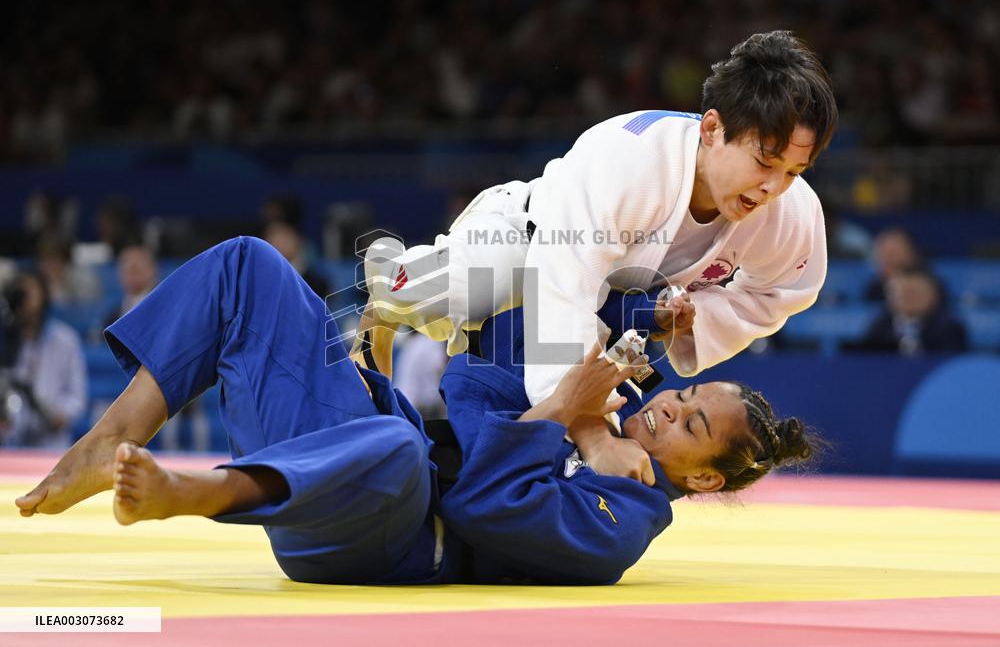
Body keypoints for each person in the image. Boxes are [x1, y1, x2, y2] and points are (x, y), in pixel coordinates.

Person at [15, 237, 815, 585]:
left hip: (383, 537)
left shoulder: (621, 520)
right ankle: (112, 433)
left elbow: (477, 502)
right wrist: (645, 327)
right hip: (350, 457)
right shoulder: (608, 406)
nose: (668, 412)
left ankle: (196, 493)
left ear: (703, 481)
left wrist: (568, 414)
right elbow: (541, 332)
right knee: (246, 269)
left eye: (691, 428)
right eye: (681, 397)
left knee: (398, 453)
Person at [356, 30, 837, 475]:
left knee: (549, 439)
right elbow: (561, 289)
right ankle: (390, 282)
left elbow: (787, 290)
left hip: (610, 308)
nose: (774, 187)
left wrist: (691, 320)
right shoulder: (629, 160)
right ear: (712, 129)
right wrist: (588, 430)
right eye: (765, 161)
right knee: (476, 288)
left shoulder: (790, 211)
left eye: (795, 170)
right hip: (525, 240)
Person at [0, 272, 87, 446]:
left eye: (29, 292)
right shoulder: (5, 338)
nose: (23, 299)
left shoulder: (65, 340)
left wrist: (61, 415)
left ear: (43, 296)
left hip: (53, 442)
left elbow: (77, 396)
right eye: (19, 292)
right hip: (11, 443)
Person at [851, 267, 967, 355]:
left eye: (915, 293)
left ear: (933, 296)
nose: (909, 299)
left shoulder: (950, 328)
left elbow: (952, 363)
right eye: (902, 294)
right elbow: (866, 357)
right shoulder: (880, 326)